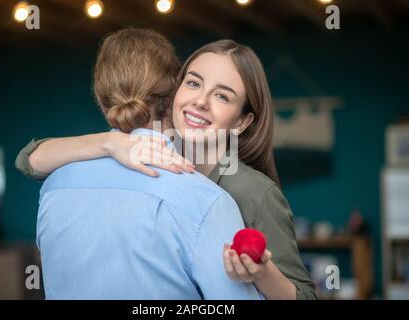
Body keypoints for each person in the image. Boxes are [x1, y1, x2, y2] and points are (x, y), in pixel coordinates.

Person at [16, 31, 316, 300]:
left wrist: (261, 273)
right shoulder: (138, 160)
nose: (201, 101)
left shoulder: (251, 191)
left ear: (241, 121)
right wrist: (107, 143)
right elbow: (28, 160)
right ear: (174, 91)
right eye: (194, 83)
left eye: (222, 96)